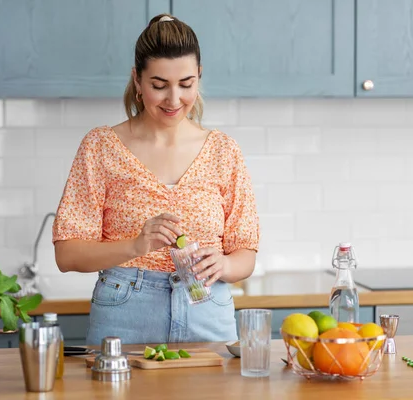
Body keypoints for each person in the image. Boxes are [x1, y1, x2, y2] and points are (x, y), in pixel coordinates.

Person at [52, 13, 260, 345]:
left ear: (199, 77)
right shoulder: (101, 146)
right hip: (125, 313)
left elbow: (245, 254)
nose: (174, 100)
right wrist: (136, 246)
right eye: (159, 86)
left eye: (186, 84)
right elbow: (67, 254)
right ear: (137, 80)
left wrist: (223, 265)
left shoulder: (224, 151)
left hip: (208, 310)